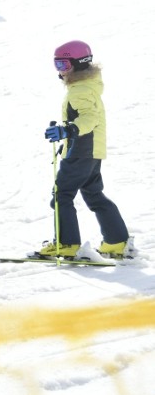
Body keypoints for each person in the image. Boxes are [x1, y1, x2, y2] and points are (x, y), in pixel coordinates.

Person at [35, 41, 132, 260]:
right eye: (56, 65)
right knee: (94, 195)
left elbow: (90, 118)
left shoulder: (79, 91)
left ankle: (66, 243)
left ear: (78, 64)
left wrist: (68, 130)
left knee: (62, 195)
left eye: (63, 65)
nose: (60, 71)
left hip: (81, 151)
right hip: (91, 151)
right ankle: (116, 241)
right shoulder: (88, 85)